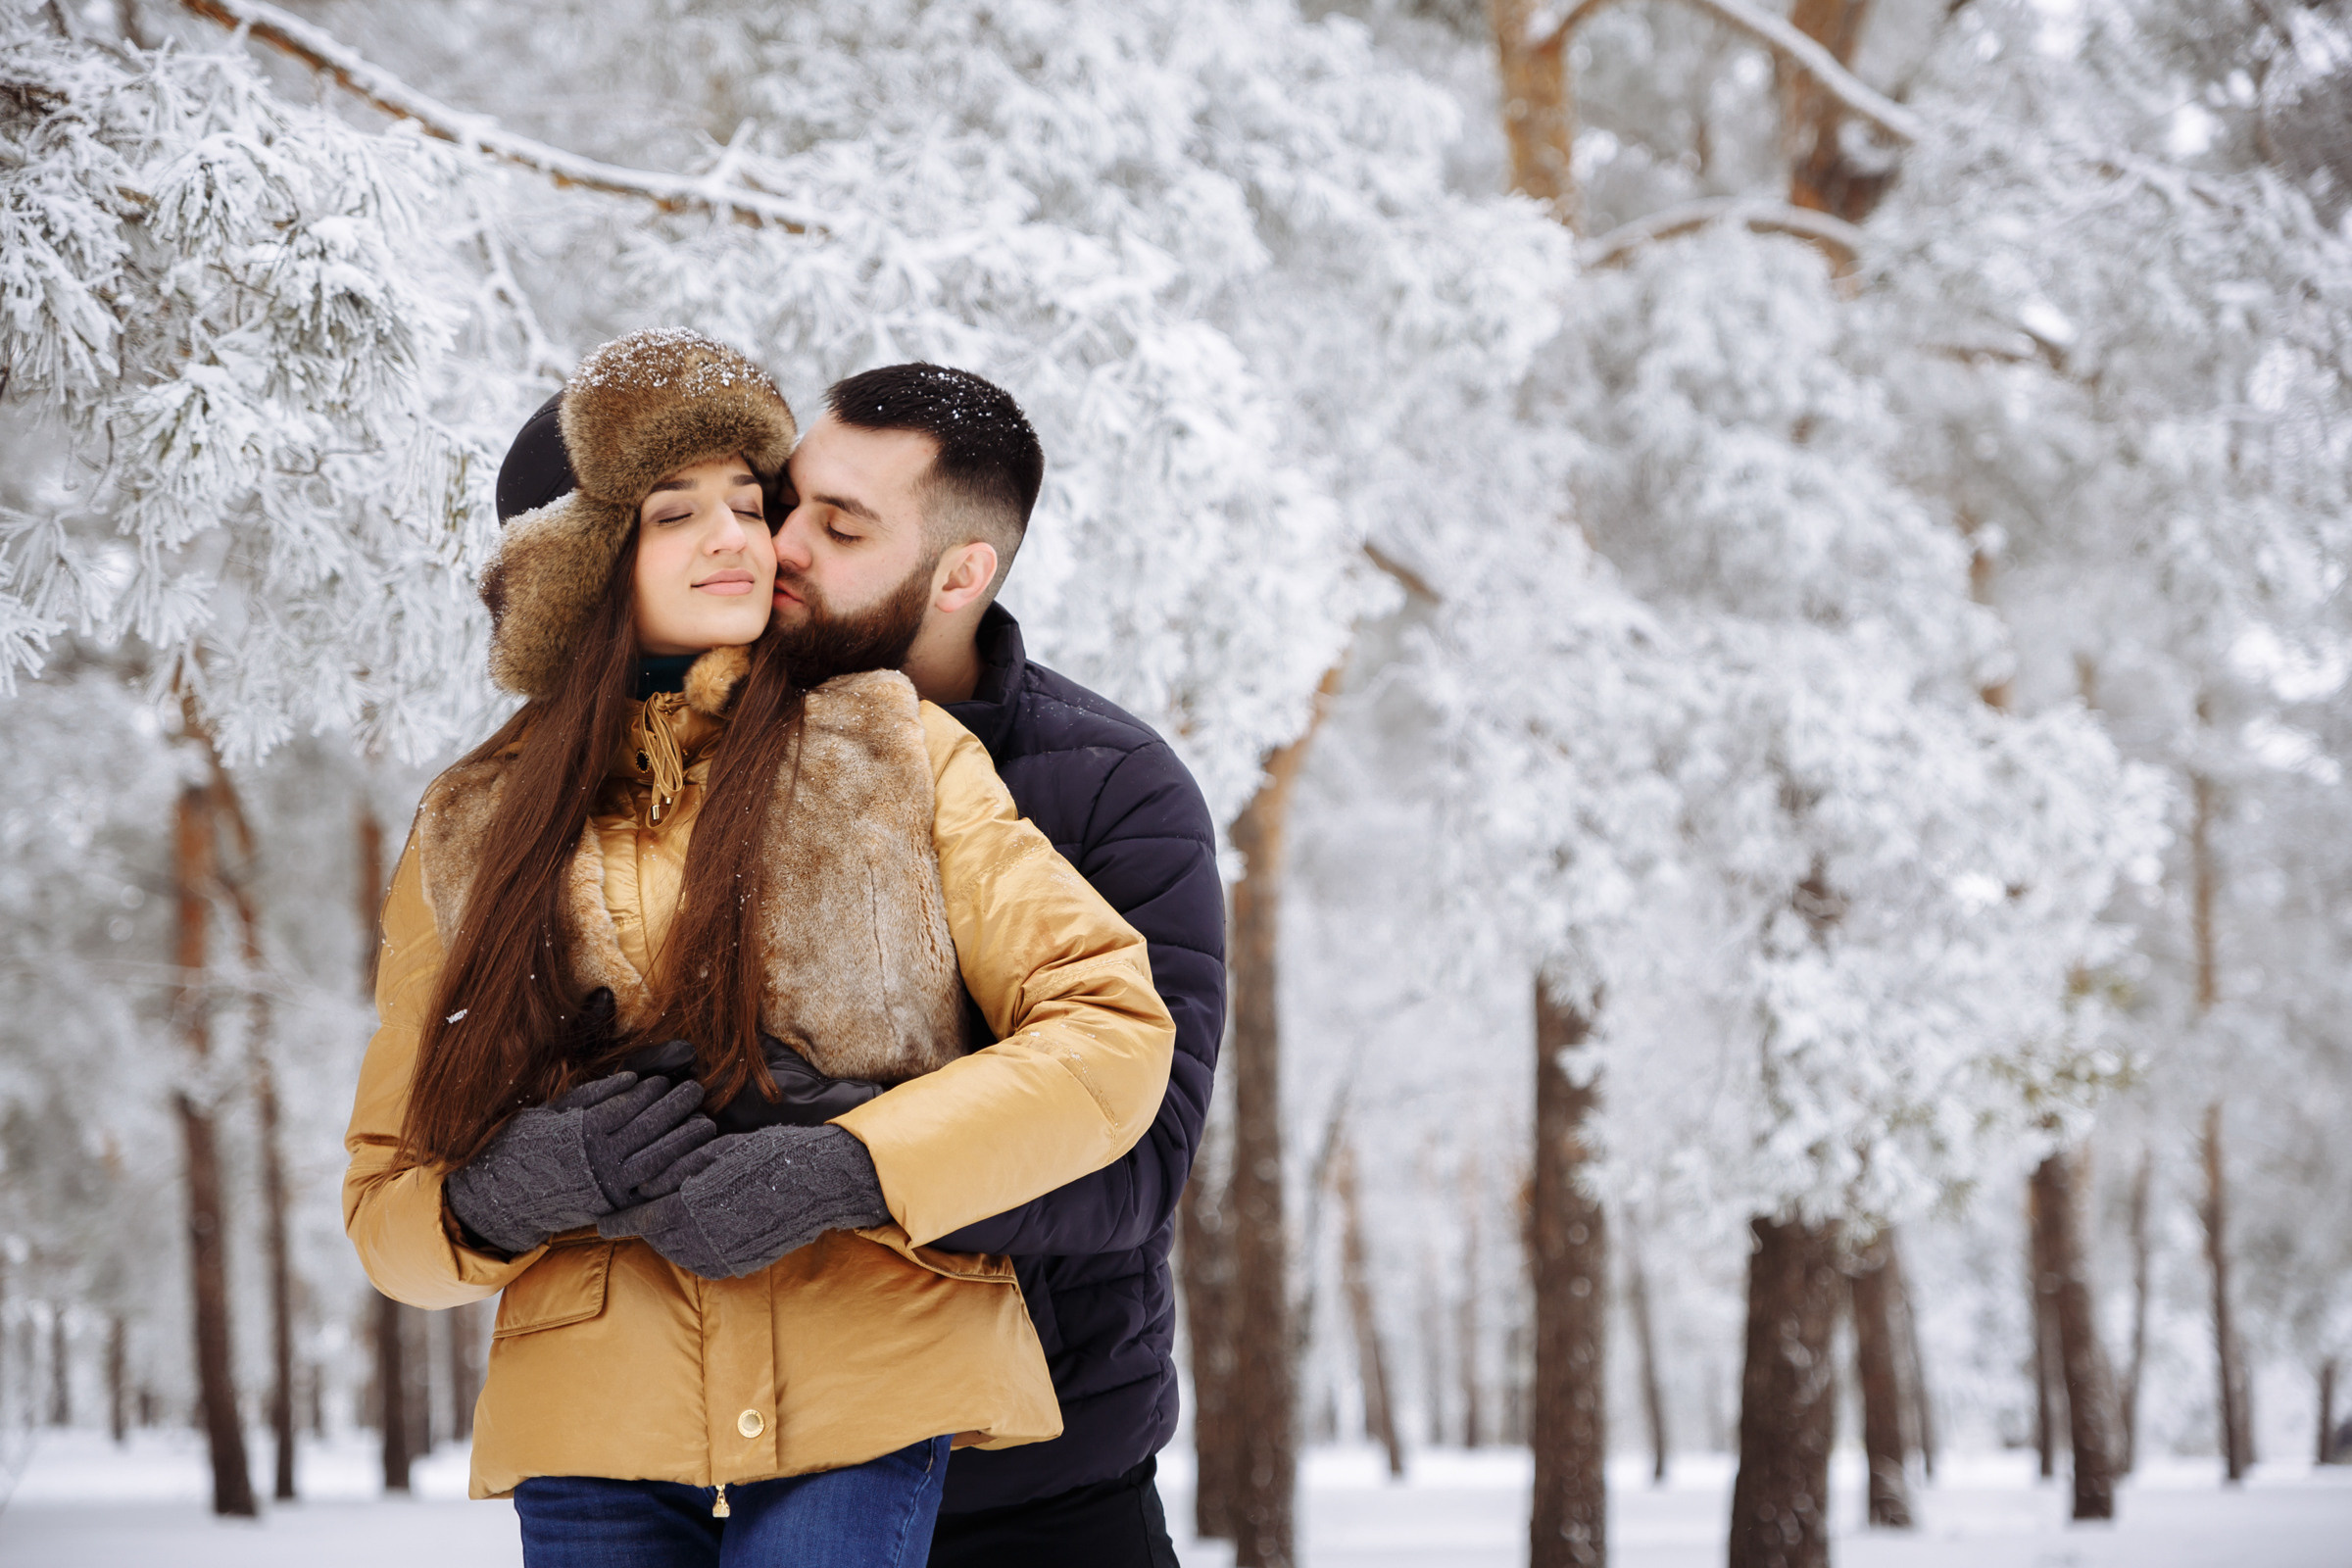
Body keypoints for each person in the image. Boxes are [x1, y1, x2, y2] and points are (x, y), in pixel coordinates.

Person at [343, 328, 1175, 1567]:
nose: (742, 537)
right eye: (675, 512)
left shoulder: (887, 745)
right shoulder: (472, 821)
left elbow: (1112, 1031)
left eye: (751, 498)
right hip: (589, 1410)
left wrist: (852, 1166)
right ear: (579, 564)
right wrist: (505, 1191)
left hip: (869, 1376)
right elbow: (384, 1202)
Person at [757, 364, 1225, 1567]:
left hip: (1038, 1501)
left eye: (843, 525)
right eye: (789, 501)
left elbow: (1141, 1159)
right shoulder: (694, 751)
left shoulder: (1117, 787)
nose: (784, 545)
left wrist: (854, 1167)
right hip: (762, 1486)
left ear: (963, 573)